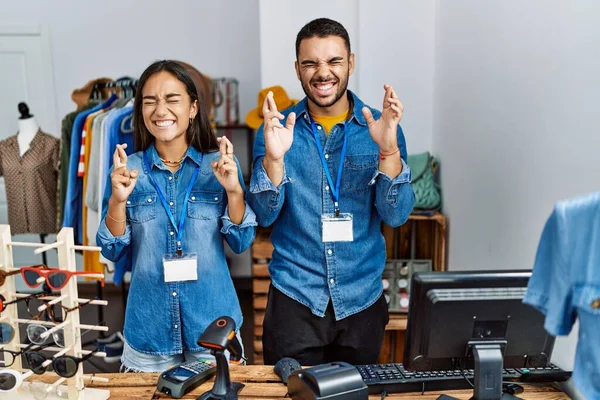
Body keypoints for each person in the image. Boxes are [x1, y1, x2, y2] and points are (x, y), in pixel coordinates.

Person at [246, 18, 415, 366]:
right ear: (297, 69)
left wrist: (388, 152)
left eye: (334, 61)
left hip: (362, 299)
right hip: (295, 298)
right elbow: (264, 215)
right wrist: (275, 161)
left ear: (351, 63)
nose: (323, 73)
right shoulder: (276, 131)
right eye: (311, 63)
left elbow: (396, 216)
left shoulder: (382, 128)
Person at [97, 60, 257, 372]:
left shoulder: (220, 166)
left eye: (172, 99)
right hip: (149, 328)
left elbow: (241, 241)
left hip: (213, 326)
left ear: (193, 108)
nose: (160, 110)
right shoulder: (127, 170)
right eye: (150, 101)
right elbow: (111, 249)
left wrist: (235, 192)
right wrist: (118, 201)